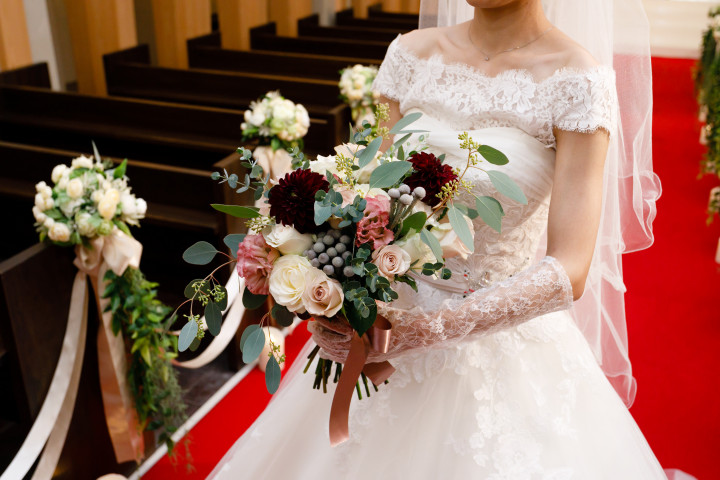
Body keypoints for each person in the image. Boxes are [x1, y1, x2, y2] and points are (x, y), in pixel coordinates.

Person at [210, 1, 690, 478]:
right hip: (382, 323)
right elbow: (363, 189)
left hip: (496, 348)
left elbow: (571, 267)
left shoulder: (577, 80)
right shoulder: (409, 55)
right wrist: (330, 287)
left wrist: (431, 330)